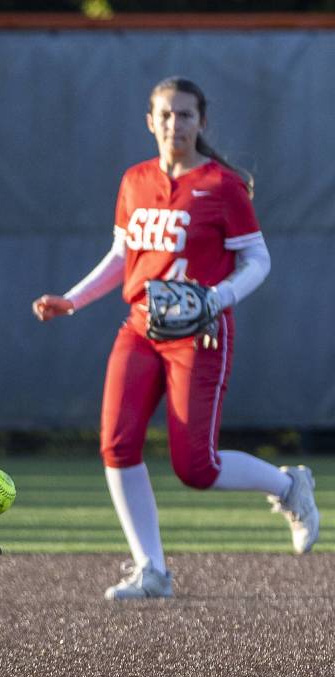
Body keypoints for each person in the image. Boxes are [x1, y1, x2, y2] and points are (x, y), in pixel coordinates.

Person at [31, 77, 320, 600]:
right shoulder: (135, 180)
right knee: (117, 445)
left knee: (196, 467)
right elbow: (123, 257)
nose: (174, 125)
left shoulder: (222, 186)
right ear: (150, 121)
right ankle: (151, 570)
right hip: (141, 328)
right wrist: (72, 299)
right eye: (165, 115)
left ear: (201, 122)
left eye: (185, 115)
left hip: (200, 332)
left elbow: (258, 260)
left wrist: (218, 298)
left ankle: (289, 486)